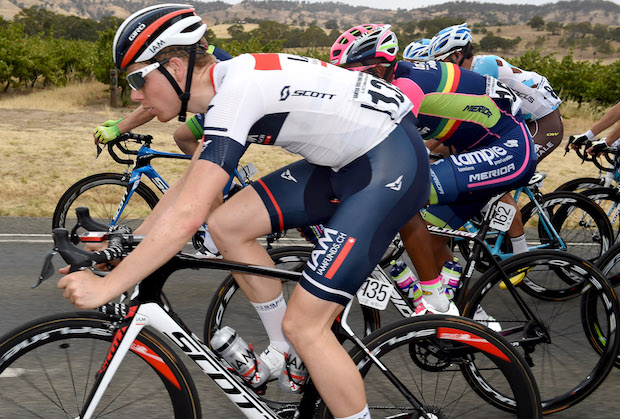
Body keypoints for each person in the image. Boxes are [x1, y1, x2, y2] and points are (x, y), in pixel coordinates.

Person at [57, 5, 430, 419]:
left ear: (175, 67)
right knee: (226, 225)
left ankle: (301, 345)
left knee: (307, 325)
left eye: (137, 79)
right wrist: (127, 247)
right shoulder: (227, 84)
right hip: (348, 160)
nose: (134, 96)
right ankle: (287, 352)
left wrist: (108, 287)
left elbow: (186, 217)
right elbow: (188, 188)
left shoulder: (235, 94)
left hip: (387, 166)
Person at [330, 24, 537, 315]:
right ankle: (471, 318)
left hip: (509, 149)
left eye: (353, 77)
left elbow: (384, 145)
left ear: (378, 70)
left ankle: (437, 300)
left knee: (401, 196)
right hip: (477, 149)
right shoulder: (394, 79)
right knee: (432, 234)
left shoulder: (407, 88)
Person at [428, 23, 561, 256]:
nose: (439, 69)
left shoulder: (481, 70)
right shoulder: (469, 71)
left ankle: (521, 255)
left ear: (458, 56)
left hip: (543, 124)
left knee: (496, 182)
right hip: (517, 123)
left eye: (441, 62)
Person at [93, 44, 232, 156]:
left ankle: (224, 181)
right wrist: (122, 123)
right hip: (219, 107)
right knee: (182, 137)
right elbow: (154, 100)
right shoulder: (198, 51)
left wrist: (119, 129)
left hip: (227, 110)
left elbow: (158, 101)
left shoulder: (194, 59)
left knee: (189, 144)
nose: (134, 96)